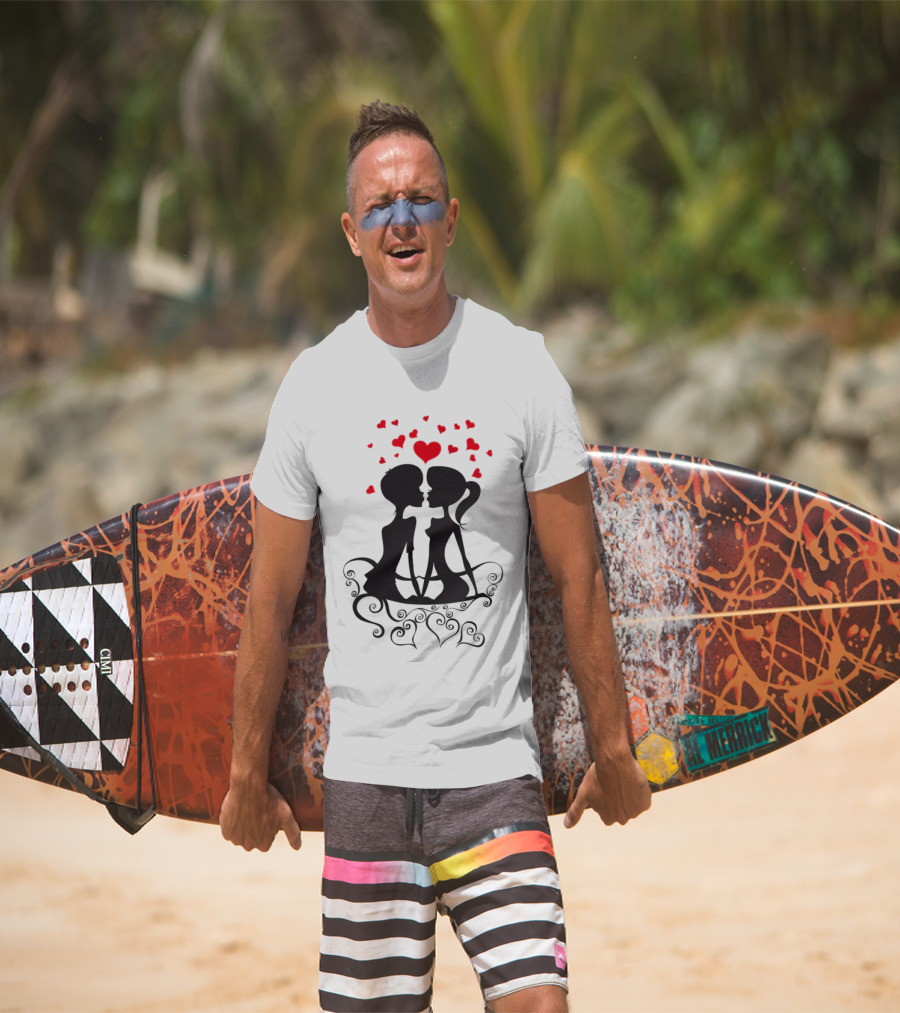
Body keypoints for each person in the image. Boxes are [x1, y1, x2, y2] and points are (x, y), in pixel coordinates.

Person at [220, 100, 651, 1013]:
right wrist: (242, 772)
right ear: (351, 232)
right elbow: (269, 600)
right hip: (368, 780)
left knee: (540, 1003)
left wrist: (612, 746)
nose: (402, 220)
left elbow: (580, 575)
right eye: (380, 206)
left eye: (421, 200)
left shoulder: (521, 368)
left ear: (451, 219)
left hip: (495, 773)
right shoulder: (314, 387)